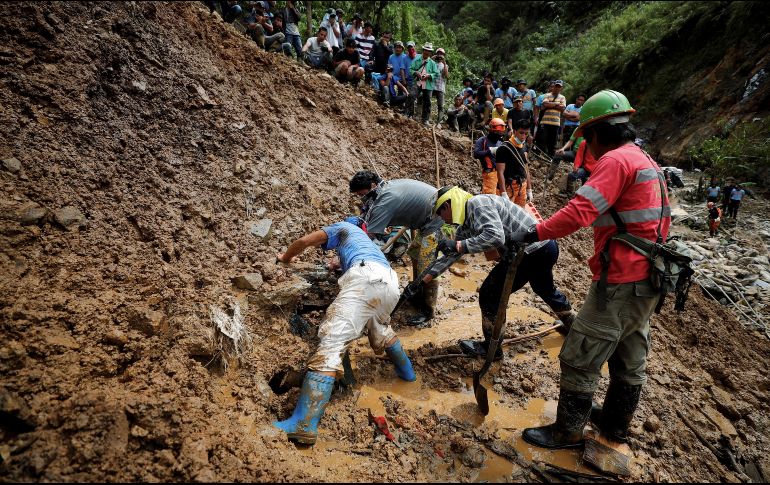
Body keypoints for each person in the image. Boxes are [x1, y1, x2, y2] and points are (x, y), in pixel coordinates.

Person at [522, 90, 671, 456]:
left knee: (581, 352)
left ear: (597, 133)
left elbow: (578, 212)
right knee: (628, 353)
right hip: (650, 277)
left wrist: (534, 232)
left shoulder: (616, 162)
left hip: (620, 278)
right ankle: (615, 425)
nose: (586, 144)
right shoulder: (644, 159)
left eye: (586, 136)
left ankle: (567, 433)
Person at [273, 218, 416, 445]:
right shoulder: (365, 244)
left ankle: (303, 424)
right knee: (381, 331)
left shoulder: (343, 227)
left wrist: (285, 258)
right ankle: (408, 376)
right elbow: (341, 263)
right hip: (389, 281)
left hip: (366, 279)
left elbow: (304, 240)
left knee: (331, 342)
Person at [430, 186, 575, 359]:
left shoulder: (477, 204)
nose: (441, 219)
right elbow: (452, 254)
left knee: (489, 294)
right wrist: (425, 278)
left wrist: (459, 245)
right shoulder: (466, 225)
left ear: (447, 205)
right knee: (544, 289)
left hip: (531, 250)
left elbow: (495, 236)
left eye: (440, 213)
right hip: (545, 247)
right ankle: (574, 327)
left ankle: (492, 348)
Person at [349, 172, 446, 327]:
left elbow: (372, 237)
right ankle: (417, 294)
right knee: (414, 254)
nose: (361, 198)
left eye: (362, 194)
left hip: (439, 221)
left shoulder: (385, 200)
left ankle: (428, 311)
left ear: (372, 186)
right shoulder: (384, 188)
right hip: (426, 222)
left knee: (427, 266)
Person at [493, 120, 532, 206]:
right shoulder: (504, 148)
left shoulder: (524, 147)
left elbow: (526, 168)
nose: (523, 136)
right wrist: (503, 192)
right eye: (521, 133)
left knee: (520, 212)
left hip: (522, 185)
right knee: (505, 213)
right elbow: (500, 172)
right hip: (508, 186)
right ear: (514, 131)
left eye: (526, 134)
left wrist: (529, 189)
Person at [409, 43, 439, 126]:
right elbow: (411, 69)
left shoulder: (432, 63)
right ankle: (409, 114)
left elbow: (437, 73)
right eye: (426, 50)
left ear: (430, 53)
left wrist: (429, 75)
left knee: (427, 102)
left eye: (429, 51)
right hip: (418, 82)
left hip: (428, 84)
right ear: (423, 50)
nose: (427, 52)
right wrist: (416, 72)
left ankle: (425, 120)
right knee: (411, 95)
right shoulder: (417, 60)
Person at [474, 118, 506, 194]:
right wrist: (489, 152)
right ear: (491, 129)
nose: (499, 133)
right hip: (490, 173)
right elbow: (476, 154)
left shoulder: (500, 142)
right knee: (490, 197)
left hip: (501, 174)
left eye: (500, 132)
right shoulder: (482, 140)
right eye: (497, 131)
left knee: (500, 197)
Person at [537, 80, 566, 156]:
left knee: (552, 141)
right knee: (542, 139)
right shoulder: (547, 95)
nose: (557, 88)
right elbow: (545, 104)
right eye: (556, 86)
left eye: (559, 87)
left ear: (561, 88)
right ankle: (542, 155)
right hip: (545, 122)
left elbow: (562, 108)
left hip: (555, 122)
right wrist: (557, 104)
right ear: (554, 86)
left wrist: (550, 104)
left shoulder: (563, 97)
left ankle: (550, 156)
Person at [433, 48, 449, 124]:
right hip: (431, 86)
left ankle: (439, 121)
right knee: (425, 100)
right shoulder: (432, 63)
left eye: (441, 54)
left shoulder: (445, 65)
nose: (440, 55)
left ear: (443, 55)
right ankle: (423, 117)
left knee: (441, 106)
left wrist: (444, 63)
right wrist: (431, 59)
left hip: (440, 87)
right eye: (438, 53)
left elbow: (446, 75)